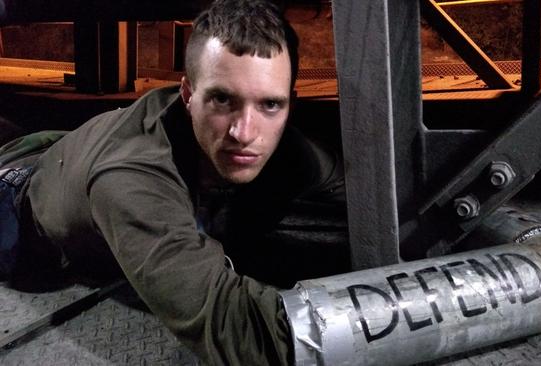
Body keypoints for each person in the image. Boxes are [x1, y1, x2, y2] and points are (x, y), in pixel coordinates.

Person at [0, 0, 345, 364]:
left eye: (269, 105)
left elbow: (363, 197)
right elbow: (241, 331)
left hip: (69, 149)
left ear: (290, 104)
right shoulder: (131, 180)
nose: (245, 133)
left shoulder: (287, 146)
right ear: (188, 96)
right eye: (222, 99)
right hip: (18, 209)